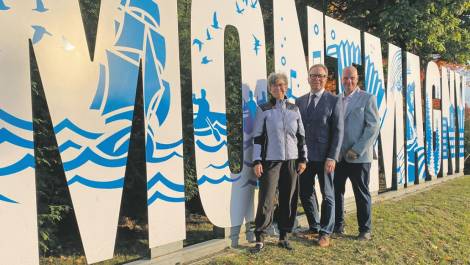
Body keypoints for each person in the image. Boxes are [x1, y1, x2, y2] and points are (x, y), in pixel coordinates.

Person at [251, 72, 307, 253]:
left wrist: (303, 159)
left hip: (291, 161)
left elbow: (301, 137)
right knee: (266, 198)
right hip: (271, 161)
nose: (278, 88)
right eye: (274, 85)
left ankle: (284, 236)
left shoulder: (294, 109)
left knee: (288, 199)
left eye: (281, 84)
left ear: (286, 87)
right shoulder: (264, 109)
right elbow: (258, 137)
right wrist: (257, 161)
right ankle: (260, 237)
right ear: (270, 89)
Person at [295, 64, 344, 247]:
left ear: (326, 79)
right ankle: (314, 225)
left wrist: (332, 157)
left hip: (325, 158)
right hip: (305, 158)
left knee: (328, 195)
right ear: (308, 78)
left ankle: (325, 232)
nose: (317, 78)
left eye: (321, 76)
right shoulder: (299, 101)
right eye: (314, 75)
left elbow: (338, 131)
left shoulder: (333, 100)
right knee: (306, 192)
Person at [334, 66, 380, 240]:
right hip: (338, 157)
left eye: (352, 78)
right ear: (341, 79)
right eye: (345, 78)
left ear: (357, 79)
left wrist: (357, 149)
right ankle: (338, 226)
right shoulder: (336, 99)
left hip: (359, 157)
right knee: (336, 192)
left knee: (361, 193)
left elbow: (373, 127)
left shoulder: (367, 98)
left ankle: (364, 230)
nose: (348, 81)